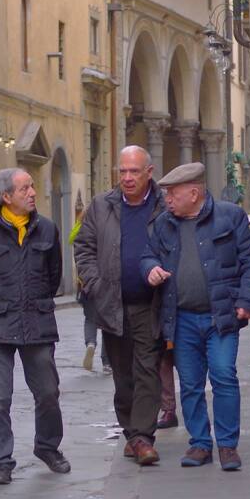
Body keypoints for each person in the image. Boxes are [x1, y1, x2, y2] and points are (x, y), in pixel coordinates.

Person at [142, 162, 250, 471]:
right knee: (190, 383)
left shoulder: (230, 217)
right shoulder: (163, 224)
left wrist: (247, 302)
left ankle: (227, 445)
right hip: (181, 317)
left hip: (220, 315)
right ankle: (199, 443)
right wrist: (150, 269)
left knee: (224, 376)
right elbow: (148, 254)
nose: (167, 199)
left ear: (194, 192)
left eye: (173, 194)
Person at [0, 167, 69, 485]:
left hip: (36, 321)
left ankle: (48, 448)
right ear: (7, 197)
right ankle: (0, 461)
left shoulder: (47, 229)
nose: (33, 192)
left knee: (48, 392)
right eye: (25, 189)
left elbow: (53, 277)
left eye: (32, 187)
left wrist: (34, 302)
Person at [74, 146, 165, 466]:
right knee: (123, 376)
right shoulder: (102, 206)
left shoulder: (162, 206)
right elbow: (83, 247)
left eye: (134, 171)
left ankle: (142, 436)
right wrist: (96, 284)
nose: (127, 178)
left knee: (147, 372)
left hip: (150, 305)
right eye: (122, 171)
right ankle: (132, 433)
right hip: (112, 304)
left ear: (149, 173)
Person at [69, 205, 111, 374]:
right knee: (109, 322)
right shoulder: (103, 230)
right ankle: (107, 363)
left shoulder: (77, 231)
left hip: (84, 283)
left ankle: (91, 343)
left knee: (90, 318)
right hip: (105, 282)